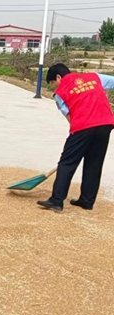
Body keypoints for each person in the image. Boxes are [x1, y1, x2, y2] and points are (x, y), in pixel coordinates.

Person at [37, 63, 114, 212]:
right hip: (106, 124)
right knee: (94, 163)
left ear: (58, 77)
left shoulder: (59, 94)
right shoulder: (94, 77)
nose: (55, 86)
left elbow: (70, 117)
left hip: (83, 126)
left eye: (53, 83)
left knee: (66, 163)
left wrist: (78, 136)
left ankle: (56, 200)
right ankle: (86, 201)